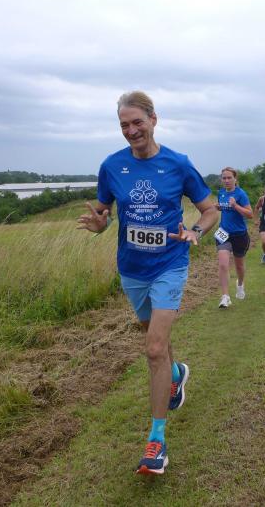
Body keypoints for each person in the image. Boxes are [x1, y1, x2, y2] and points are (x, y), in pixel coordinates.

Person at [77, 91, 218, 476]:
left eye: (137, 122)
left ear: (154, 120)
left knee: (154, 348)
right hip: (132, 269)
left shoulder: (178, 164)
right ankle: (176, 374)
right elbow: (104, 211)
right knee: (155, 338)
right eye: (124, 125)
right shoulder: (112, 166)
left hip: (170, 264)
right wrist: (100, 223)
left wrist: (195, 232)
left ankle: (156, 441)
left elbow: (210, 210)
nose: (131, 130)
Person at [214, 167, 253, 308]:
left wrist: (235, 205)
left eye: (229, 177)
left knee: (239, 266)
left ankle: (240, 284)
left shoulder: (241, 194)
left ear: (235, 179)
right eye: (224, 178)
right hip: (223, 233)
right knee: (223, 264)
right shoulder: (221, 193)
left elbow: (250, 214)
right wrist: (219, 207)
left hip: (239, 235)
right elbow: (224, 208)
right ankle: (225, 296)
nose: (226, 180)